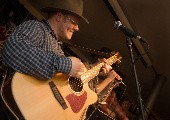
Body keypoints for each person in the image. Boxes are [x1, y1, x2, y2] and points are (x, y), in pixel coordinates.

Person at [2, 0, 88, 80]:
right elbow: (13, 49)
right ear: (59, 16)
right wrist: (66, 65)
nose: (77, 28)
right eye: (74, 22)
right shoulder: (37, 27)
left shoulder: (59, 50)